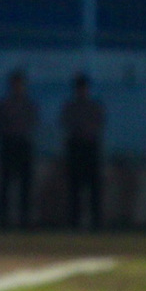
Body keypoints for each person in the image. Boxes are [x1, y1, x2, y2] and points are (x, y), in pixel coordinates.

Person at [0, 69, 39, 228]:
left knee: (25, 186)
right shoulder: (5, 105)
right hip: (8, 145)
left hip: (23, 145)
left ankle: (24, 220)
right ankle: (3, 221)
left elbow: (34, 124)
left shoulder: (28, 105)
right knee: (5, 185)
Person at [61, 73, 105, 230]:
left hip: (90, 149)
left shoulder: (94, 107)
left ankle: (96, 223)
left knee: (93, 188)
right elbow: (66, 124)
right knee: (74, 188)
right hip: (75, 148)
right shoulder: (71, 107)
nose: (82, 91)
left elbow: (98, 125)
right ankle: (74, 222)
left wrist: (86, 131)